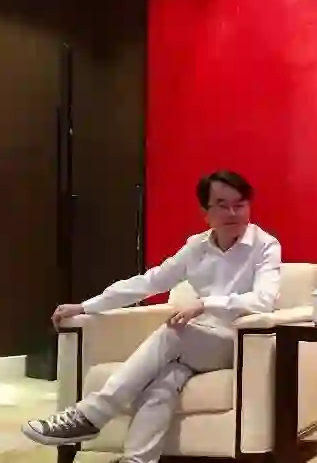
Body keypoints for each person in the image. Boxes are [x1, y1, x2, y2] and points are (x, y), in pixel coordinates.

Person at [21, 170, 282, 463]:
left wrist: (206, 303)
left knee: (175, 331)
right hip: (195, 346)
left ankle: (91, 415)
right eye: (223, 205)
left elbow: (263, 301)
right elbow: (149, 282)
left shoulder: (265, 245)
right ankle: (138, 460)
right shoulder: (196, 247)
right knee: (163, 383)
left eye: (240, 205)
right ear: (206, 212)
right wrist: (86, 306)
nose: (233, 213)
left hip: (238, 343)